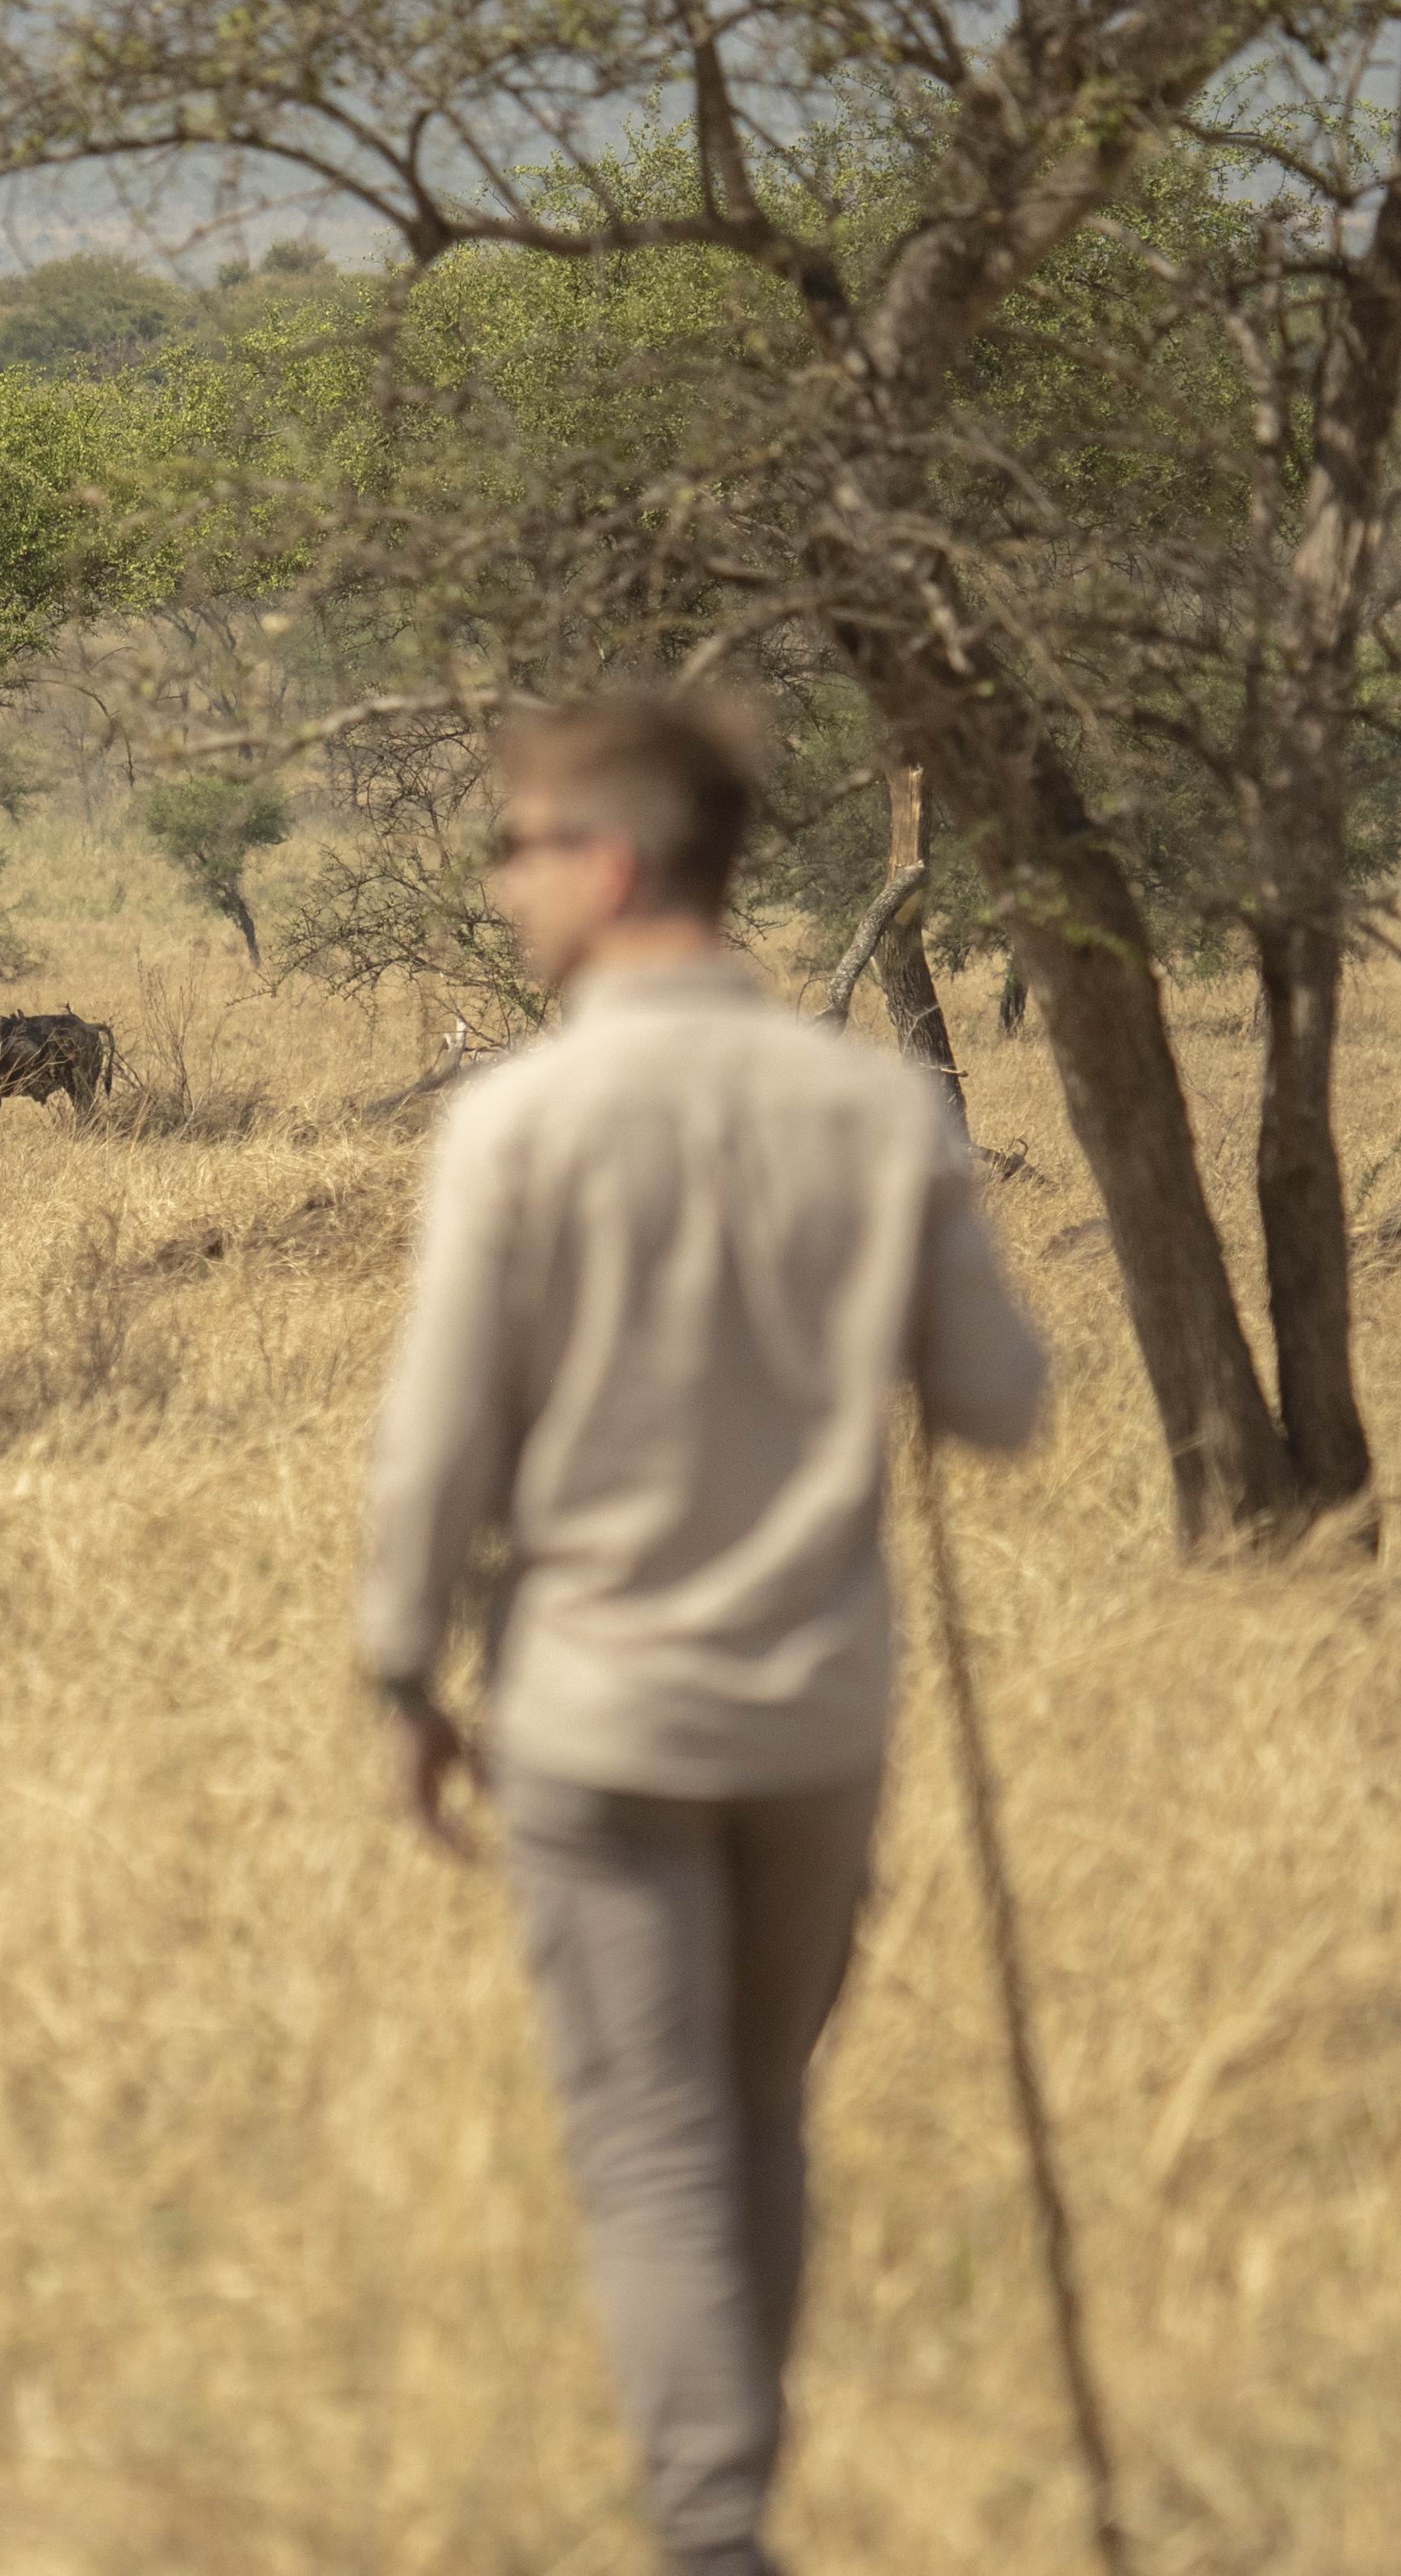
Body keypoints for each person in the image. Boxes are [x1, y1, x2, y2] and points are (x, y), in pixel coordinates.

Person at [353, 698, 1049, 2576]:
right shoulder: (874, 1109)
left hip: (593, 1726)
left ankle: (714, 2529)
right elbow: (1000, 1401)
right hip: (819, 1721)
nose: (504, 890)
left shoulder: (521, 1119)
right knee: (760, 2115)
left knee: (653, 2144)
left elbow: (434, 1446)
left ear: (609, 862)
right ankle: (732, 2500)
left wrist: (403, 1671)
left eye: (515, 850)